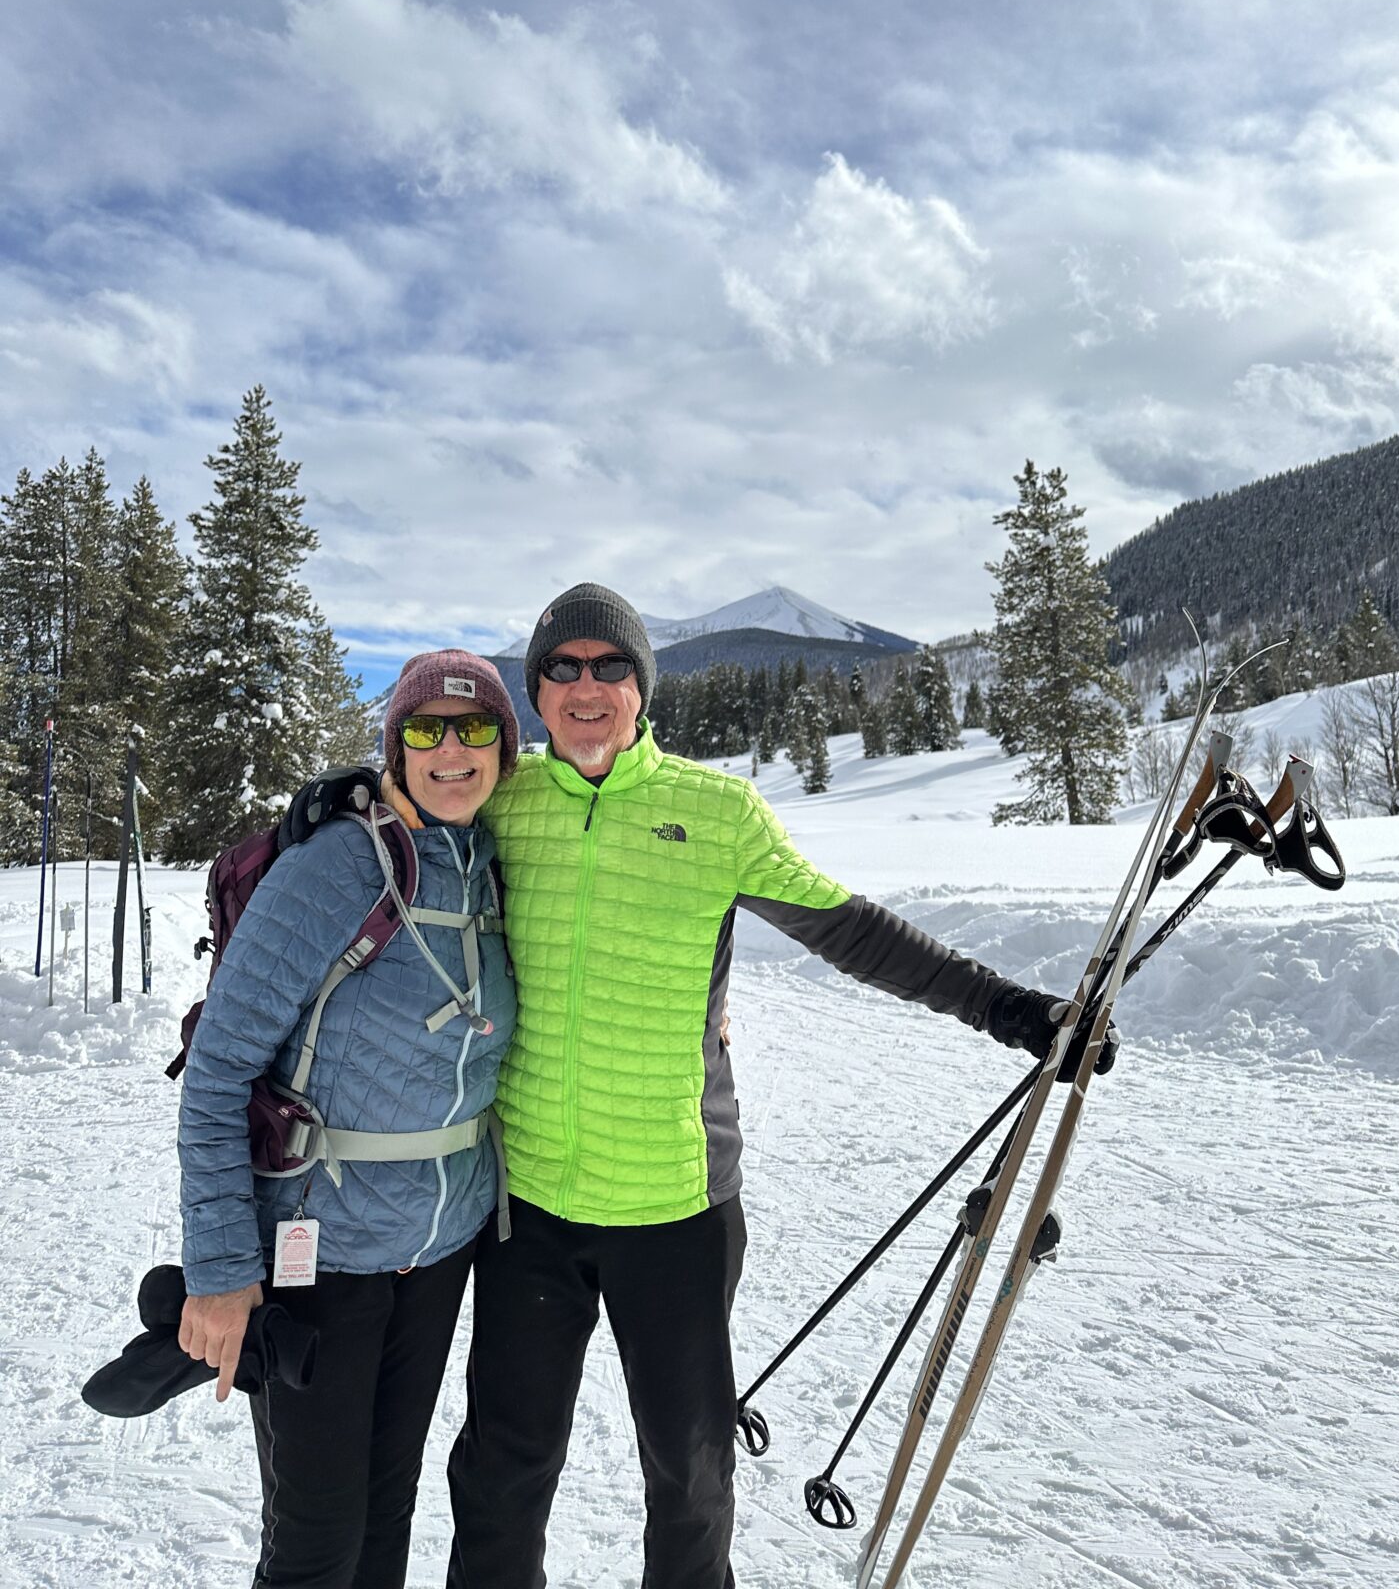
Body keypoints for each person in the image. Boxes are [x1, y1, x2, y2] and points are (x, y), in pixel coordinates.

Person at [284, 583, 1112, 1589]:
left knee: (688, 1473)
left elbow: (848, 931)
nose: (586, 688)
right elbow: (425, 796)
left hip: (677, 1208)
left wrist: (1012, 1011)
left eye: (611, 666)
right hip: (528, 1207)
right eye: (562, 667)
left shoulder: (715, 811)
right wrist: (346, 795)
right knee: (503, 1466)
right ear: (536, 693)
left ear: (643, 687)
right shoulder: (512, 799)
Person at [178, 649, 520, 1589]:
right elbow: (217, 1076)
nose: (452, 748)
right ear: (396, 747)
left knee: (387, 1514)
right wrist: (217, 1271)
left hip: (439, 1249)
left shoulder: (490, 865)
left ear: (505, 749)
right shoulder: (338, 863)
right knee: (316, 1543)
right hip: (317, 1252)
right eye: (425, 729)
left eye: (476, 727)